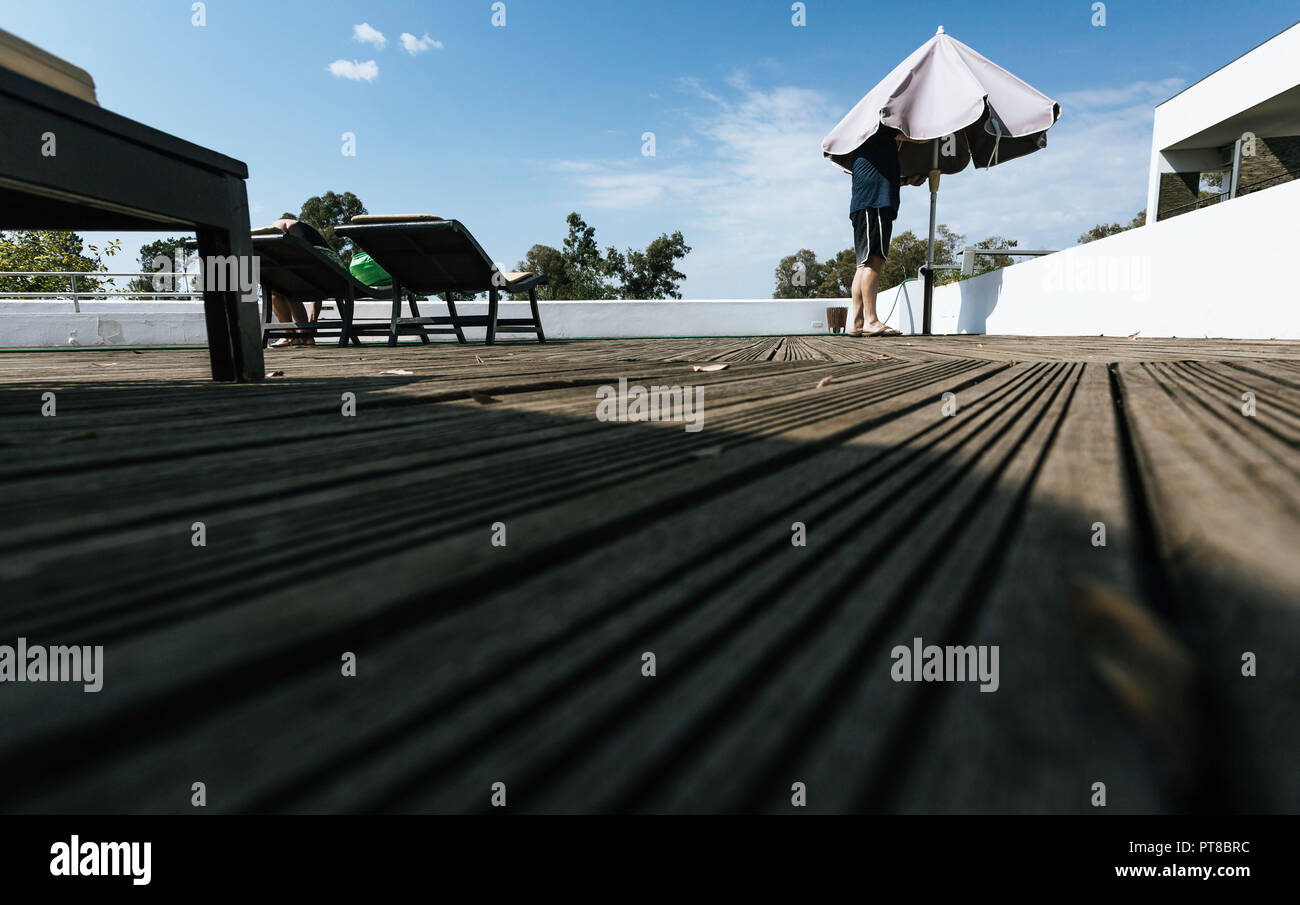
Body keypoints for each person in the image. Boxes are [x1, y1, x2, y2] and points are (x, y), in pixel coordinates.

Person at [845, 127, 923, 336]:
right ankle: (871, 320)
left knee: (863, 264)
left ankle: (858, 322)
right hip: (876, 205)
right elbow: (919, 137)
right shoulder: (878, 131)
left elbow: (883, 177)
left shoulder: (865, 146)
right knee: (874, 260)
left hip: (864, 206)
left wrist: (907, 181)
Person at [266, 217, 343, 347]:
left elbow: (274, 238)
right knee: (289, 289)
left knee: (276, 291)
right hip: (334, 273)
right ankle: (305, 335)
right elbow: (319, 285)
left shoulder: (280, 224)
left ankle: (289, 336)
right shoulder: (313, 239)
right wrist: (313, 319)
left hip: (318, 273)